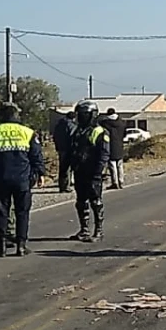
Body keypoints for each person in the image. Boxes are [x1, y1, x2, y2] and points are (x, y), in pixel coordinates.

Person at [0, 102, 44, 257]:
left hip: (0, 179)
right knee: (22, 212)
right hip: (22, 179)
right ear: (17, 116)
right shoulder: (27, 132)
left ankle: (1, 247)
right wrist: (40, 173)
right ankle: (21, 246)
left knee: (1, 211)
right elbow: (36, 156)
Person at [68, 100, 110, 242]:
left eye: (84, 114)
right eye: (79, 114)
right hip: (80, 171)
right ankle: (84, 229)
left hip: (93, 172)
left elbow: (104, 154)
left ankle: (98, 230)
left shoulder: (100, 132)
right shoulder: (78, 131)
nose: (80, 117)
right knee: (81, 201)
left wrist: (98, 171)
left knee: (96, 202)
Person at [99, 108, 127, 189]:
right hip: (119, 145)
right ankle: (121, 181)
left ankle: (115, 182)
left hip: (110, 145)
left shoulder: (105, 123)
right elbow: (125, 134)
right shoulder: (122, 122)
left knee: (112, 165)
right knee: (120, 165)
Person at [53, 110, 76, 193]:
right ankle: (66, 185)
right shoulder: (71, 125)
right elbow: (73, 137)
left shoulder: (59, 125)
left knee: (62, 167)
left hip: (60, 148)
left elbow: (55, 136)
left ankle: (62, 186)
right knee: (68, 168)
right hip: (68, 148)